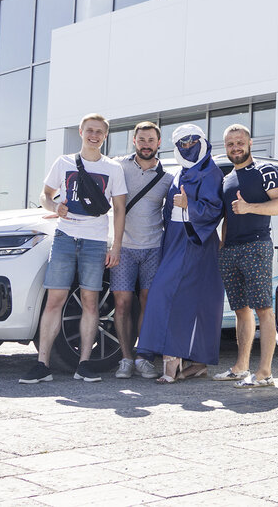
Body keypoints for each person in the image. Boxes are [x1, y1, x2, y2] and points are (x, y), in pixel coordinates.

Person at [20, 114, 127, 384]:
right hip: (65, 237)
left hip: (95, 240)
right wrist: (55, 206)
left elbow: (120, 209)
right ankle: (42, 364)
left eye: (99, 132)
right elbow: (45, 195)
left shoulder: (113, 168)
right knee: (54, 300)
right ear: (81, 132)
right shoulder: (63, 162)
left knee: (90, 301)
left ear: (105, 136)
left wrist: (116, 246)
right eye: (90, 130)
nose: (94, 135)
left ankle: (84, 365)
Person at [136, 124, 225, 383]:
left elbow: (214, 209)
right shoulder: (181, 171)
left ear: (202, 141)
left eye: (192, 141)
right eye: (182, 143)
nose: (188, 147)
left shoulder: (211, 172)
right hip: (175, 238)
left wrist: (190, 205)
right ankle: (196, 363)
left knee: (174, 297)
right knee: (178, 298)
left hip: (195, 238)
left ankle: (173, 362)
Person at [214, 124, 278, 389]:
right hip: (230, 250)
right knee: (240, 310)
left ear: (250, 143)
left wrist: (249, 208)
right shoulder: (227, 178)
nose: (235, 147)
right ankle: (240, 368)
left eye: (239, 142)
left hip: (256, 246)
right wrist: (222, 247)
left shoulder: (265, 170)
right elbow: (227, 216)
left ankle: (265, 372)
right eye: (230, 144)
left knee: (263, 309)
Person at [111, 121, 173, 379]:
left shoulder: (168, 178)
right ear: (134, 141)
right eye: (142, 140)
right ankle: (126, 358)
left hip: (153, 248)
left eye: (151, 140)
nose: (146, 145)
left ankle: (143, 357)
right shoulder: (118, 167)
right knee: (122, 303)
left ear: (159, 143)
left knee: (149, 302)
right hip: (123, 248)